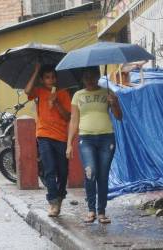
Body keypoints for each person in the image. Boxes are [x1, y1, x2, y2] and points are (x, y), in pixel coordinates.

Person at [66, 66, 122, 224]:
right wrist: (69, 144)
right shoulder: (77, 95)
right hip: (86, 140)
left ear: (98, 76)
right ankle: (91, 210)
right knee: (90, 173)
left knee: (103, 176)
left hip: (107, 139)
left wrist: (115, 103)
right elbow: (74, 120)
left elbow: (119, 117)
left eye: (93, 76)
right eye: (86, 77)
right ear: (82, 78)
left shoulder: (108, 93)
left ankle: (102, 212)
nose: (89, 80)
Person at [25, 64, 71, 217]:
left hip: (61, 136)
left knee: (63, 172)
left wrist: (56, 102)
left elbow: (67, 117)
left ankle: (60, 195)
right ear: (42, 80)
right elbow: (27, 91)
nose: (50, 80)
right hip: (44, 135)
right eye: (47, 77)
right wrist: (36, 70)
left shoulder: (63, 93)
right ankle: (53, 201)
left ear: (56, 78)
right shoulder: (39, 91)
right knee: (49, 169)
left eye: (52, 77)